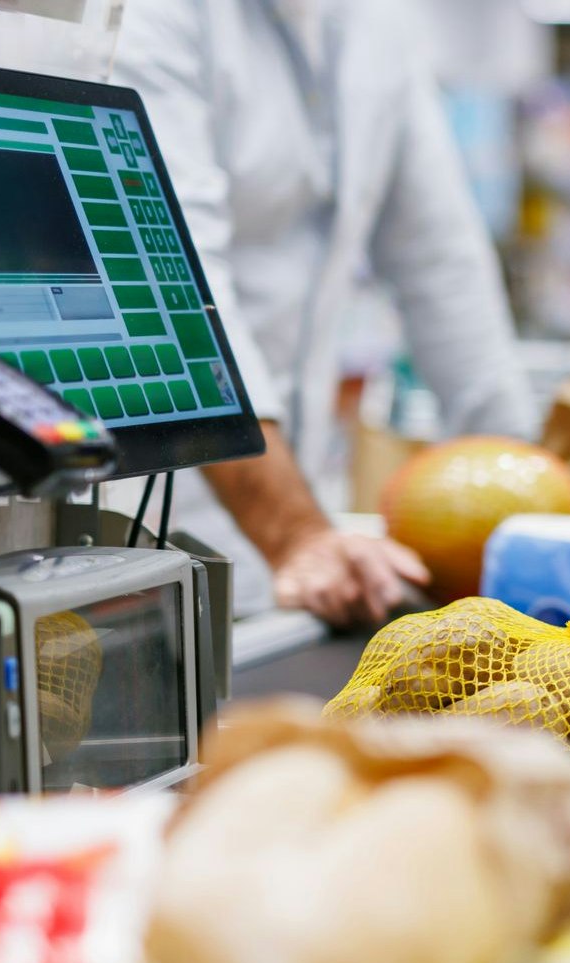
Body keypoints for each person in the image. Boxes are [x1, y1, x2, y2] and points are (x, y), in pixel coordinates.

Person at [113, 0, 537, 626]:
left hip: (292, 526)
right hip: (146, 518)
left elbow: (443, 266)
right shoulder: (155, 17)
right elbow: (169, 281)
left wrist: (527, 512)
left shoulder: (380, 24)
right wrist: (294, 532)